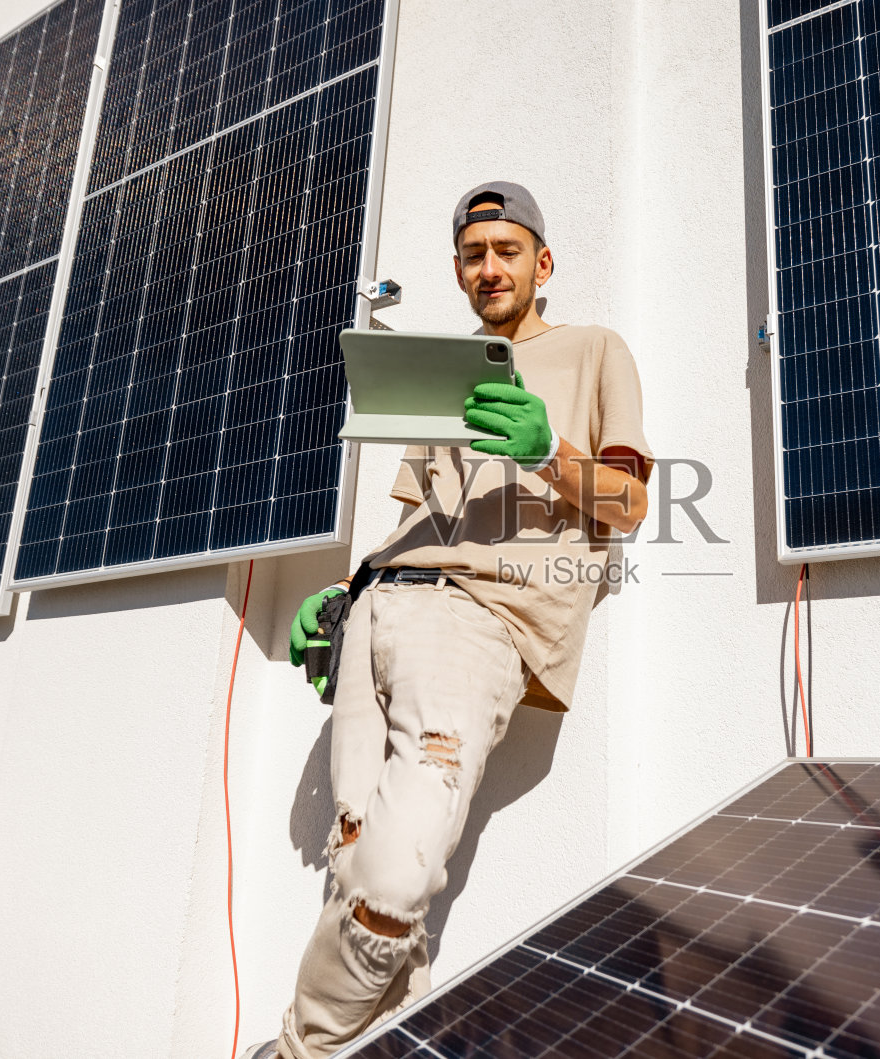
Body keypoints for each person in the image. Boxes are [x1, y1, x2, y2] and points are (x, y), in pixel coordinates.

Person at [244, 182, 654, 1059]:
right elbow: (416, 521)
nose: (490, 267)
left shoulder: (594, 350)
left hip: (481, 620)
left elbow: (630, 504)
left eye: (508, 251)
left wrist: (550, 451)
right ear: (459, 272)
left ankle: (292, 1049)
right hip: (382, 611)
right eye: (474, 255)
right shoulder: (442, 369)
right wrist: (349, 589)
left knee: (392, 880)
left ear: (542, 264)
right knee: (352, 863)